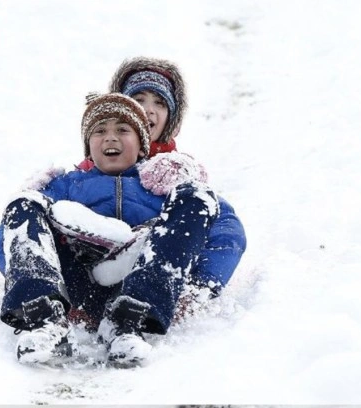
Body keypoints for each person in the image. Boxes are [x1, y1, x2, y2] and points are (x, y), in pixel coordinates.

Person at [0, 92, 239, 368]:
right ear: (88, 147)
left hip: (139, 282)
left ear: (143, 146)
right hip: (76, 286)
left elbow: (226, 231)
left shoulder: (162, 186)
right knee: (24, 202)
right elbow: (5, 239)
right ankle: (46, 319)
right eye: (99, 131)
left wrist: (199, 286)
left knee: (198, 196)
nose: (110, 137)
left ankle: (128, 321)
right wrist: (47, 278)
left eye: (123, 130)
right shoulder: (66, 185)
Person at [75, 56, 246, 307]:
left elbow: (226, 230)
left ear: (171, 118)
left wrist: (201, 285)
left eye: (160, 103)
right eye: (138, 99)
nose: (148, 109)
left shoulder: (178, 177)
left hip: (154, 284)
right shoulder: (86, 174)